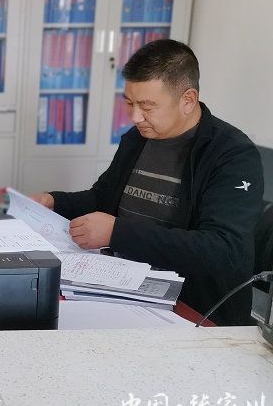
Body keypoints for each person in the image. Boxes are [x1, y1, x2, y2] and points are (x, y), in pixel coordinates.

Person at [32, 39, 263, 325]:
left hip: (191, 308)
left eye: (147, 106)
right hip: (122, 286)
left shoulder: (231, 154)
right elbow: (103, 198)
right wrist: (54, 201)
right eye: (129, 103)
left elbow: (223, 249)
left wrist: (117, 233)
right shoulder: (138, 138)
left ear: (188, 100)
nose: (134, 117)